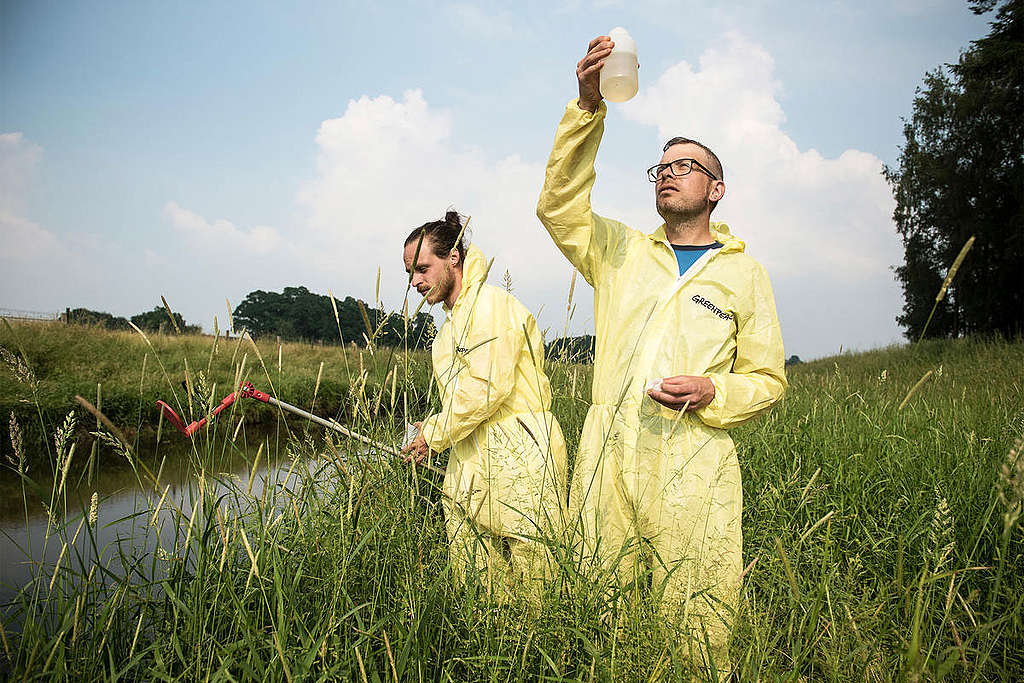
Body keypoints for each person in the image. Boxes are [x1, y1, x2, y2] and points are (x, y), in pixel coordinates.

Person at [535, 36, 787, 672]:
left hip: (694, 458)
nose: (669, 171)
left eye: (686, 165)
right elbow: (557, 207)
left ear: (718, 189)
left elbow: (767, 378)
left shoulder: (744, 273)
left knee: (698, 608)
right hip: (607, 454)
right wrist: (587, 109)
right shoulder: (619, 251)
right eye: (662, 166)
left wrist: (713, 392)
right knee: (605, 605)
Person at [401, 210, 568, 603]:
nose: (415, 282)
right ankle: (490, 657)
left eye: (423, 268)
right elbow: (465, 400)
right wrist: (432, 431)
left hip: (522, 455)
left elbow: (487, 388)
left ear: (453, 258)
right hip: (469, 461)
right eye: (409, 273)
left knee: (537, 583)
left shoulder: (492, 305)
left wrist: (434, 434)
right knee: (477, 585)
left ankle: (537, 662)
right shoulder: (446, 331)